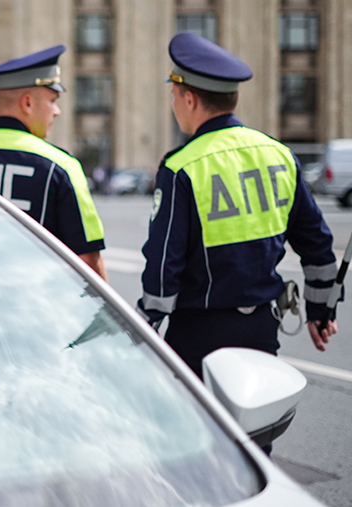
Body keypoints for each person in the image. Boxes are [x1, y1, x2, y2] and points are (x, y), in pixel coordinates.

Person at [137, 32, 340, 379]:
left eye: (174, 96)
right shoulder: (279, 155)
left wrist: (144, 326)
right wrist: (322, 311)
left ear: (189, 99)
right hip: (261, 331)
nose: (173, 105)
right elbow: (317, 243)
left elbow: (164, 263)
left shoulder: (181, 167)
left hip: (198, 335)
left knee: (195, 415)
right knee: (257, 412)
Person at [0, 45, 107, 280]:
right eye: (53, 100)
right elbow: (87, 263)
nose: (57, 111)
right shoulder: (61, 166)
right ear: (27, 103)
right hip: (31, 300)